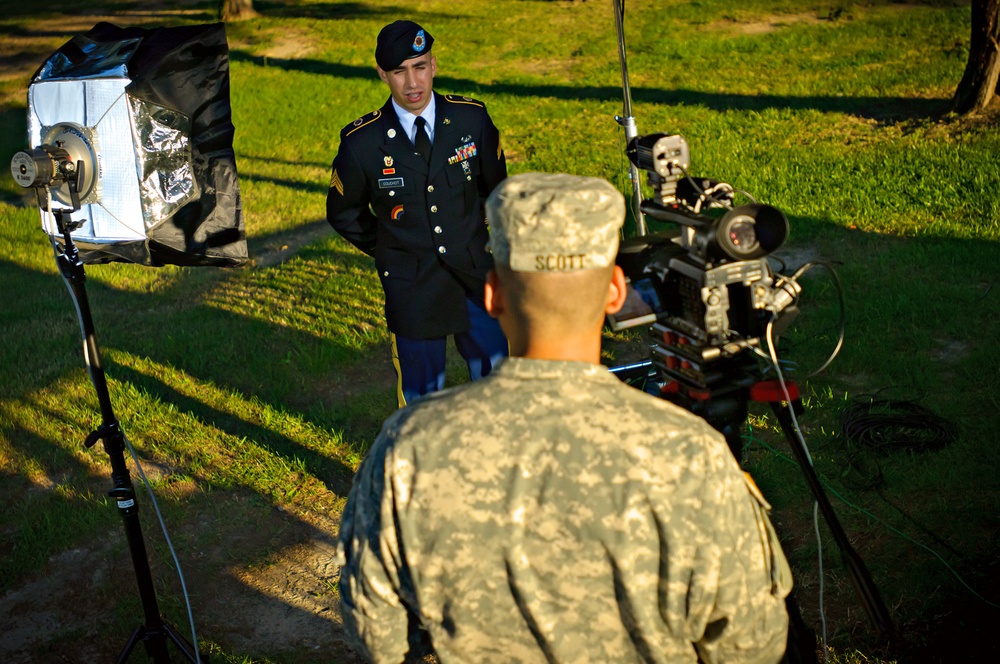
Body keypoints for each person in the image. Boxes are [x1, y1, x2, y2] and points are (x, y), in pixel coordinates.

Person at [336, 172, 793, 664]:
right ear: (615, 292)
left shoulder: (407, 448)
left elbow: (375, 634)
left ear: (493, 296)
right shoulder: (691, 454)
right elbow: (751, 645)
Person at [326, 20, 508, 407]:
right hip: (413, 288)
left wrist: (484, 245)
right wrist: (391, 249)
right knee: (421, 403)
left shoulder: (470, 120)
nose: (412, 83)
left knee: (498, 390)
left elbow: (497, 192)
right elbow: (344, 213)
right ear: (382, 75)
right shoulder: (363, 143)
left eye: (420, 66)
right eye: (399, 71)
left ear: (434, 65)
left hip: (476, 278)